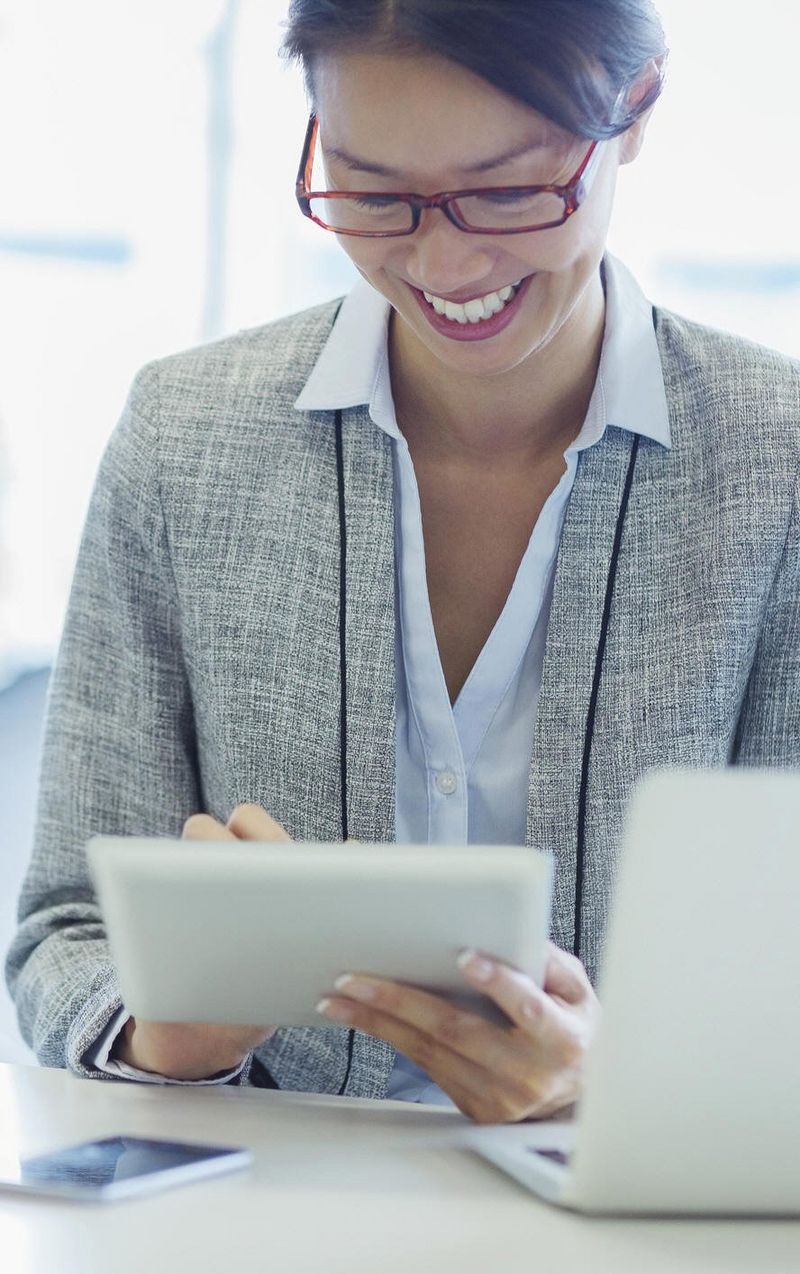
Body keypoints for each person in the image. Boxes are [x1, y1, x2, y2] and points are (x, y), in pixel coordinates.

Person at [6, 0, 799, 1124]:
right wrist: (168, 1024)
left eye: (507, 188)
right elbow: (63, 931)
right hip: (251, 1214)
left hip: (628, 1221)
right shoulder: (184, 435)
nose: (440, 259)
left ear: (635, 109)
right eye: (371, 192)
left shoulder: (776, 465)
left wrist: (622, 1082)